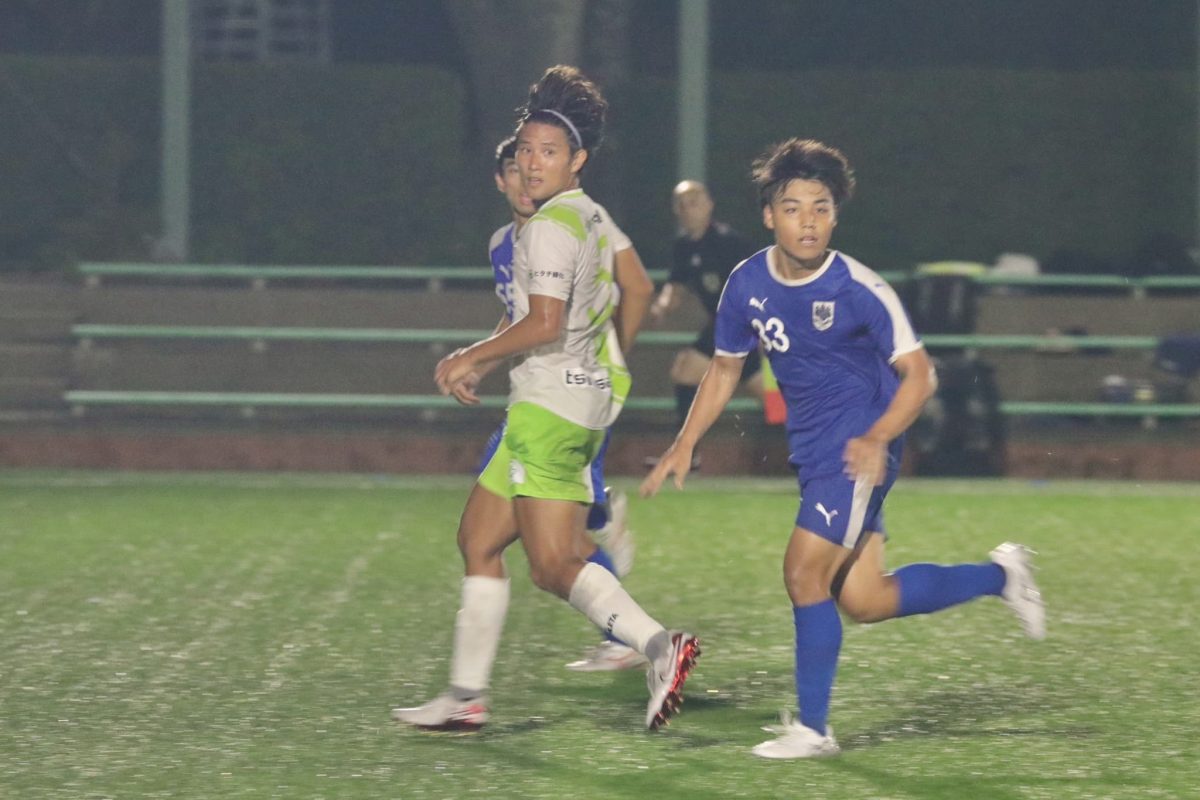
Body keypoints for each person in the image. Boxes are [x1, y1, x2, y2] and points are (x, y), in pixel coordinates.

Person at [641, 138, 1044, 759]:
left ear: (835, 217)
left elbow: (920, 376)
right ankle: (1002, 576)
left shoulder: (860, 288)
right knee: (865, 598)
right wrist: (684, 442)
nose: (808, 221)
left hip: (858, 445)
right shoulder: (746, 284)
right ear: (769, 216)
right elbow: (724, 367)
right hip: (815, 449)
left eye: (821, 208)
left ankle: (813, 730)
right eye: (793, 208)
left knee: (803, 573)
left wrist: (878, 438)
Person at [393, 65, 700, 734]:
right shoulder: (586, 215)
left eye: (549, 152)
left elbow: (545, 323)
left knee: (554, 564)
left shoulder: (549, 227)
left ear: (577, 160)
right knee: (478, 540)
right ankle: (466, 696)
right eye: (526, 150)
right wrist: (489, 356)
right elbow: (551, 312)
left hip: (552, 410)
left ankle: (659, 646)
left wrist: (469, 356)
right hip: (556, 403)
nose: (532, 163)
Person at [467, 134, 653, 672]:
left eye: (540, 158)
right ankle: (466, 695)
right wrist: (482, 361)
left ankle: (636, 639)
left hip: (568, 398)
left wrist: (611, 351)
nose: (527, 174)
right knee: (496, 537)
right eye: (515, 165)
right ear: (501, 180)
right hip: (539, 396)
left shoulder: (577, 218)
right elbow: (521, 313)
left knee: (549, 551)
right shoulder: (503, 243)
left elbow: (636, 287)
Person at [649, 180, 762, 437]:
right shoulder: (683, 246)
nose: (688, 209)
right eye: (682, 204)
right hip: (726, 325)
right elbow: (675, 286)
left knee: (686, 371)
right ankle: (818, 442)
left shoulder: (729, 242)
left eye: (694, 203)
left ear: (709, 205)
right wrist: (662, 306)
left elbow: (760, 281)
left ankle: (687, 452)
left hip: (741, 322)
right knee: (772, 397)